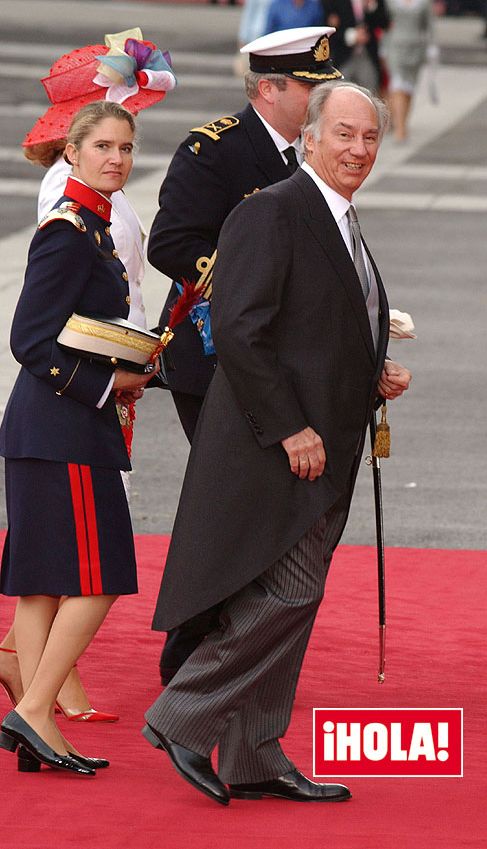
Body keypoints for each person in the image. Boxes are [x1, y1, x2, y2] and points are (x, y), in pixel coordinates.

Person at [142, 80, 412, 806]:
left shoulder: (339, 216)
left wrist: (372, 368)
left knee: (299, 594)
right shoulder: (273, 210)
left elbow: (311, 323)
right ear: (311, 138)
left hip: (326, 443)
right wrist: (290, 425)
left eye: (369, 137)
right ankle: (180, 716)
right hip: (278, 446)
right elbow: (239, 328)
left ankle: (256, 751)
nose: (358, 149)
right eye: (345, 134)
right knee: (287, 592)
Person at [147, 26, 342, 686]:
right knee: (226, 506)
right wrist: (247, 282)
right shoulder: (215, 151)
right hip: (214, 359)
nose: (322, 98)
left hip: (278, 361)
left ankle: (229, 647)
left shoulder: (307, 155)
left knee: (258, 508)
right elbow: (171, 242)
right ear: (268, 89)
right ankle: (189, 652)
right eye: (311, 88)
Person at [0, 29, 175, 724]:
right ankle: (38, 706)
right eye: (103, 144)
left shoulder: (94, 226)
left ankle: (38, 711)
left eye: (126, 147)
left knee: (45, 583)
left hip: (62, 418)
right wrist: (111, 382)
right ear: (71, 148)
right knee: (97, 577)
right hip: (65, 418)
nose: (118, 157)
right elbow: (29, 338)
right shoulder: (69, 227)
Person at [381, 0, 435, 141]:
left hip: (416, 48)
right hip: (395, 46)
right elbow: (384, 21)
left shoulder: (424, 3)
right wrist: (383, 46)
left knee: (409, 88)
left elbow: (429, 25)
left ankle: (403, 122)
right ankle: (399, 127)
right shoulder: (389, 2)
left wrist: (431, 48)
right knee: (397, 85)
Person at [321, 0, 390, 90]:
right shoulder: (332, 2)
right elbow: (327, 26)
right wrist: (352, 36)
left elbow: (384, 23)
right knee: (342, 91)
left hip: (367, 55)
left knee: (370, 93)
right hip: (343, 57)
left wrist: (371, 6)